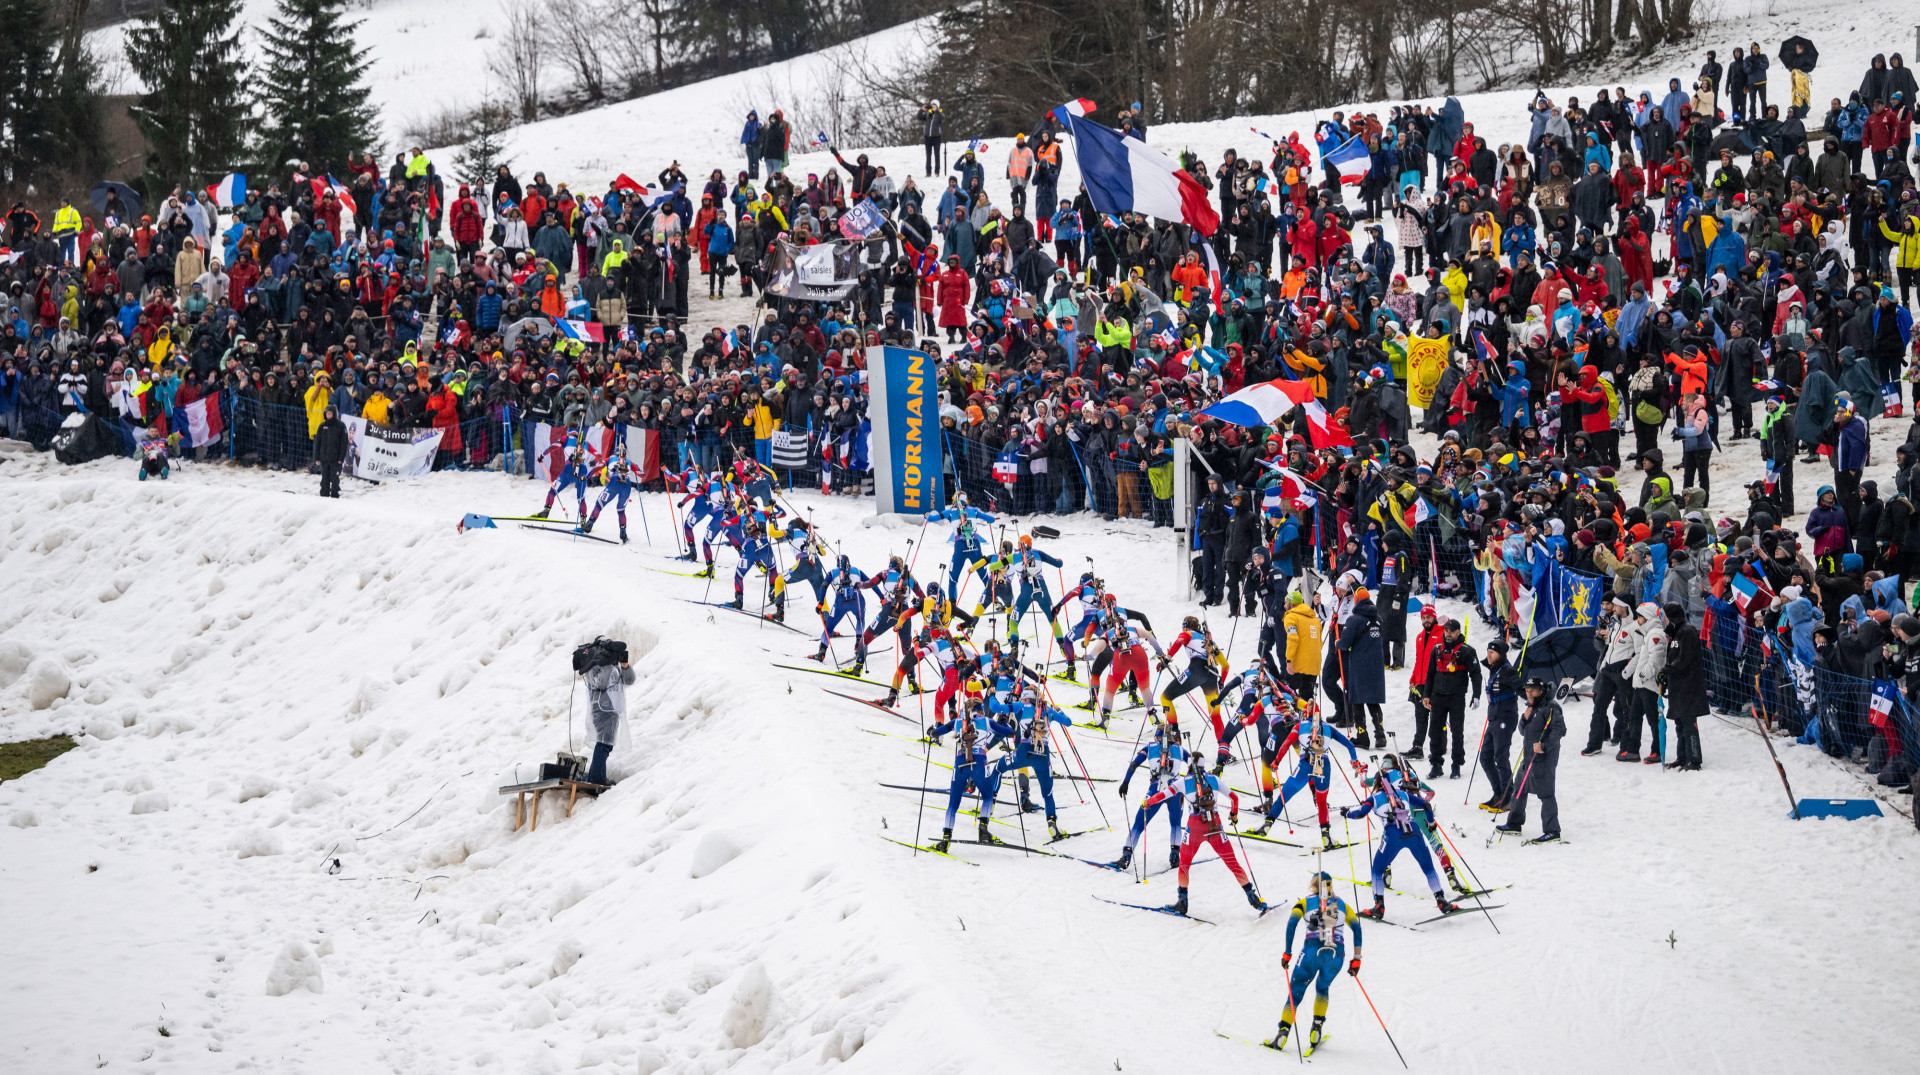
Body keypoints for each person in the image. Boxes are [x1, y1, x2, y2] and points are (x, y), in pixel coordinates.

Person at [1135, 755, 1266, 917]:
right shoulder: (1215, 780)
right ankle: (1253, 897)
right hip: (1215, 826)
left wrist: (1148, 802)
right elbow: (1234, 798)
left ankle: (1182, 902)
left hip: (1195, 827)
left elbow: (1163, 795)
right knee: (1233, 863)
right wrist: (1233, 816)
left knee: (1184, 863)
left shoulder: (1183, 782)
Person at [1345, 757, 1461, 920]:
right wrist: (1431, 823)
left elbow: (1359, 814)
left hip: (1393, 835)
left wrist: (1346, 813)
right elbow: (1426, 805)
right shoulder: (1404, 793)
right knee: (1428, 868)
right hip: (1414, 832)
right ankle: (1442, 901)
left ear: (1377, 783)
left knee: (1377, 870)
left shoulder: (1374, 797)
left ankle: (1379, 907)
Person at [1266, 871, 1364, 1055]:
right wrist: (1356, 960)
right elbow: (1357, 929)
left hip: (1312, 950)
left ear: (1313, 885)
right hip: (1336, 955)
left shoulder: (1303, 902)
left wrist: (1287, 953)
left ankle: (1282, 1034)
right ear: (1330, 884)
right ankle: (1316, 1031)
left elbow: (1291, 924)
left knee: (1296, 991)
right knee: (1322, 988)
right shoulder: (1342, 904)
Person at [1497, 676, 1565, 842]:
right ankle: (1514, 824)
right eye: (1527, 691)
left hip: (1544, 759)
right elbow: (1523, 731)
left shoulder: (1551, 708)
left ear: (1541, 690)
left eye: (1532, 690)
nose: (1529, 694)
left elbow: (1560, 730)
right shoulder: (1532, 707)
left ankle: (1552, 830)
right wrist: (1524, 719)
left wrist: (1544, 746)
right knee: (1519, 790)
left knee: (1546, 794)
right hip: (1528, 758)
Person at [1417, 617, 1481, 778]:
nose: (1448, 633)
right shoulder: (1437, 649)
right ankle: (1436, 764)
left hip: (1457, 697)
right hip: (1437, 696)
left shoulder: (1467, 651)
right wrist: (1426, 695)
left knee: (1457, 731)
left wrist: (1477, 694)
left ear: (1458, 632)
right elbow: (1430, 674)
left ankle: (1456, 764)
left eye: (1451, 631)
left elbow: (1476, 674)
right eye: (1446, 630)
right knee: (1435, 731)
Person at [1477, 639, 1521, 810]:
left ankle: (1507, 796)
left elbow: (1521, 689)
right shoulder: (1495, 669)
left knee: (1501, 757)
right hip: (1494, 718)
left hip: (1505, 718)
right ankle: (1498, 793)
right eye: (1488, 651)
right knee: (1485, 757)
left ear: (1502, 655)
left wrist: (1535, 703)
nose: (1488, 655)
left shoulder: (1508, 671)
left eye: (1492, 653)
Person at [1662, 601, 1707, 770]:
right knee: (1679, 723)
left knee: (1689, 724)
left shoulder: (1687, 631)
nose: (1663, 620)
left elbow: (1684, 659)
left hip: (1690, 685)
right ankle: (1682, 757)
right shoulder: (1675, 632)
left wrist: (1665, 670)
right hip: (1678, 685)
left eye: (1665, 616)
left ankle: (1694, 760)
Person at [582, 650, 635, 786]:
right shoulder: (593, 666)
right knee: (604, 744)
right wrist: (606, 664)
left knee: (606, 745)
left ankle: (597, 775)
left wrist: (624, 666)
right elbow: (601, 683)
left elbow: (629, 680)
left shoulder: (614, 666)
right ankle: (597, 778)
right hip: (600, 710)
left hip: (613, 711)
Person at [314, 404, 347, 498]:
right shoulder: (322, 426)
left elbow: (344, 444)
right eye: (327, 414)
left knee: (334, 478)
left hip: (336, 460)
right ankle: (324, 496)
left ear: (334, 414)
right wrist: (317, 458)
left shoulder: (341, 426)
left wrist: (341, 458)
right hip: (324, 458)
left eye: (330, 413)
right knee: (325, 479)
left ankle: (335, 496)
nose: (328, 415)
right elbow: (318, 443)